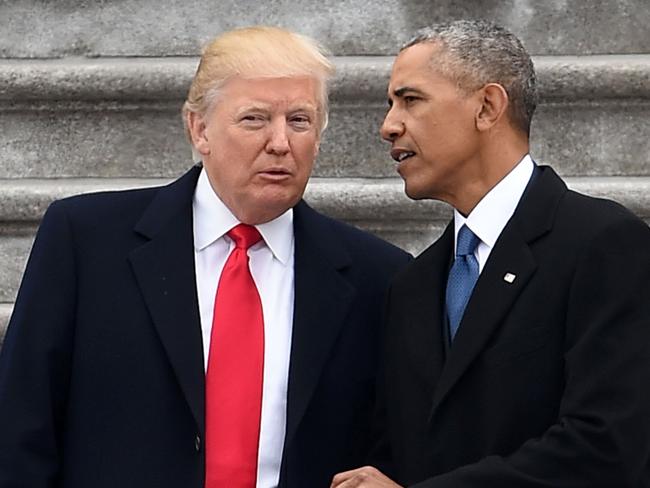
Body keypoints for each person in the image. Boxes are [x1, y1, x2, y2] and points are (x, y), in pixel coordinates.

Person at [0, 26, 410, 488]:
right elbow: (21, 425)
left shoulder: (379, 276)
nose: (281, 142)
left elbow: (391, 447)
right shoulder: (86, 240)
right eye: (254, 119)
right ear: (199, 128)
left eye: (299, 120)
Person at [332, 20, 650, 488]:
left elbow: (608, 447)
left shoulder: (604, 244)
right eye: (389, 104)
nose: (387, 126)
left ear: (487, 107)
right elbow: (403, 450)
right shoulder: (412, 284)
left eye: (411, 100)